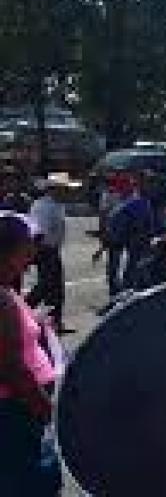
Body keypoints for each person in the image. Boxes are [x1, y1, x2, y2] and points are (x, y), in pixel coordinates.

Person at [0, 212, 61, 495]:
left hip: (18, 408)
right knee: (29, 483)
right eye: (27, 246)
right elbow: (11, 367)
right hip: (16, 410)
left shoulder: (7, 290)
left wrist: (34, 322)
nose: (32, 253)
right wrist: (46, 409)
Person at [27, 173, 72, 334]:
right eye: (63, 189)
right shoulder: (43, 206)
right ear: (53, 189)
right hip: (44, 250)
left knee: (56, 288)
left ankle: (55, 322)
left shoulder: (57, 205)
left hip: (52, 249)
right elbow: (40, 233)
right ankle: (24, 310)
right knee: (46, 286)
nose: (66, 193)